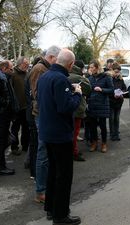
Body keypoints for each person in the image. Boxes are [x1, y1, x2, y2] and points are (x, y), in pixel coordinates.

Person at [37, 49, 82, 225]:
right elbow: (65, 107)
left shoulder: (45, 76)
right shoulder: (60, 78)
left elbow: (49, 99)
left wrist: (67, 91)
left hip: (47, 131)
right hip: (60, 134)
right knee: (64, 176)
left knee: (53, 172)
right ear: (70, 64)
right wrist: (77, 93)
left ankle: (51, 208)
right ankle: (60, 215)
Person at [29, 45, 61, 203]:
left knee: (47, 151)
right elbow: (37, 94)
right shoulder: (39, 69)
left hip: (45, 114)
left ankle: (45, 186)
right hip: (42, 115)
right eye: (58, 59)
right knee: (43, 152)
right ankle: (40, 191)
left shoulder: (44, 68)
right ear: (52, 57)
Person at [87, 59, 114, 153]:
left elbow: (111, 90)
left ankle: (104, 143)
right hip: (92, 104)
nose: (90, 69)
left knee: (102, 126)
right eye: (89, 67)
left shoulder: (106, 77)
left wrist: (101, 89)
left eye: (92, 67)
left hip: (102, 104)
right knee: (92, 126)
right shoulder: (90, 78)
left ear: (97, 67)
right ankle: (94, 143)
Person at [68, 60, 91, 161]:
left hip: (66, 109)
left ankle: (72, 151)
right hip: (77, 108)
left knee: (69, 132)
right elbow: (88, 90)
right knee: (75, 132)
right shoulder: (79, 77)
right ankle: (74, 152)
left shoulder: (64, 74)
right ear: (81, 68)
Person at [10, 56, 30, 155]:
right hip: (16, 107)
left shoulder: (27, 74)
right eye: (25, 64)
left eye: (27, 64)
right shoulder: (13, 74)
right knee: (15, 128)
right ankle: (14, 147)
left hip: (26, 106)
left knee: (26, 127)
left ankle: (25, 146)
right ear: (20, 63)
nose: (27, 65)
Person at [109, 62, 127, 141]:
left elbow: (124, 89)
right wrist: (113, 93)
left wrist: (121, 93)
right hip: (111, 101)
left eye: (118, 72)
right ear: (112, 70)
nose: (117, 74)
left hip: (119, 102)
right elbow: (108, 89)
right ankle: (112, 134)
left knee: (117, 118)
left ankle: (116, 134)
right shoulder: (109, 79)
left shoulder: (120, 79)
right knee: (112, 118)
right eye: (116, 72)